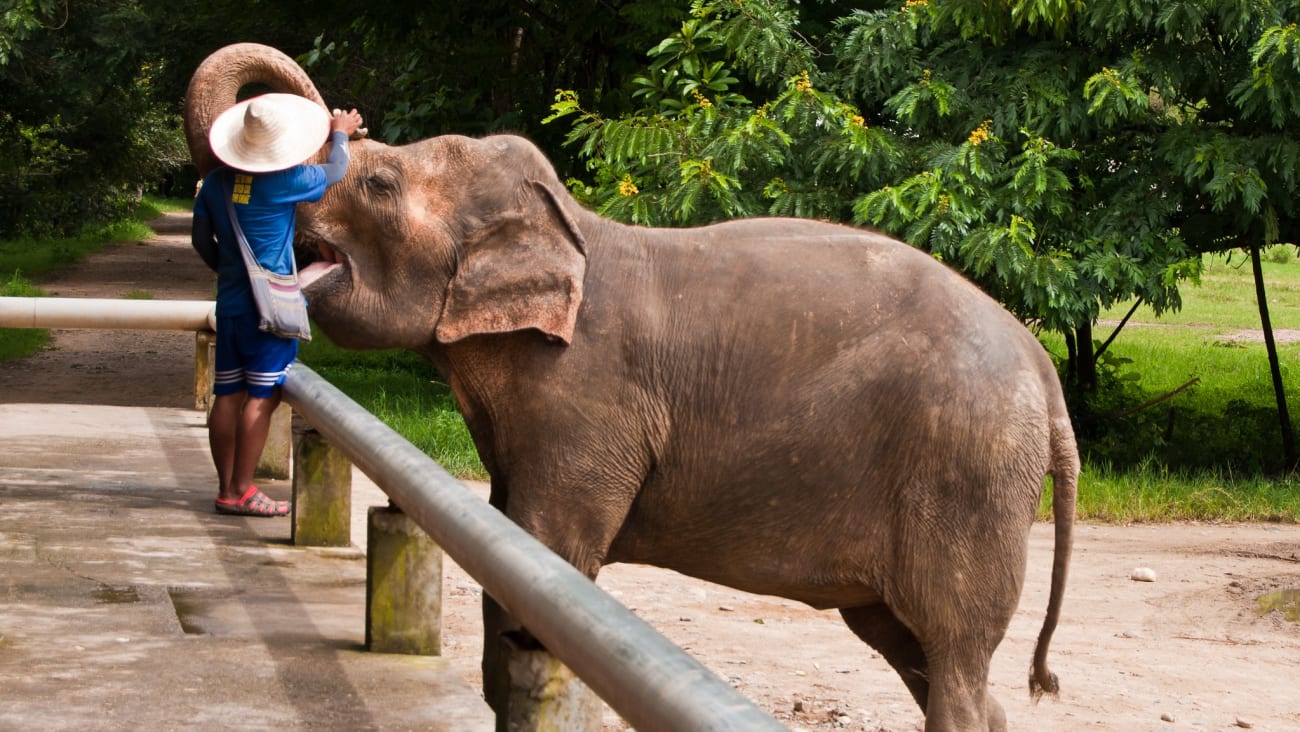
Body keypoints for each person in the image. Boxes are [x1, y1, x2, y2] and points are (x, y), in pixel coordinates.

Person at [191, 93, 363, 516]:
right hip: (270, 311)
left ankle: (225, 487)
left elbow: (200, 240)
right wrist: (339, 134)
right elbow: (337, 170)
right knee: (262, 396)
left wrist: (230, 271)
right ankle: (242, 490)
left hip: (230, 307)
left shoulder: (215, 184)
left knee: (228, 394)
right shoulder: (286, 181)